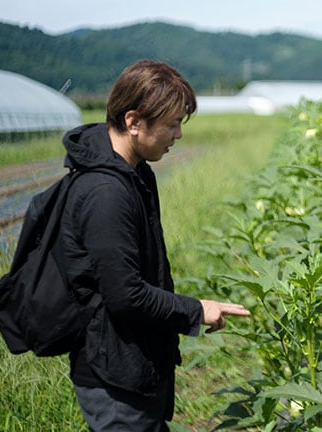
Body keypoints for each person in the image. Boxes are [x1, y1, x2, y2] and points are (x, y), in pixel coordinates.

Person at [59, 59, 250, 431]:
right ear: (133, 122)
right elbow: (125, 295)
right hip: (115, 375)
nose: (178, 135)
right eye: (173, 124)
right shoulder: (106, 193)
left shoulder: (135, 172)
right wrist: (196, 310)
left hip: (138, 360)